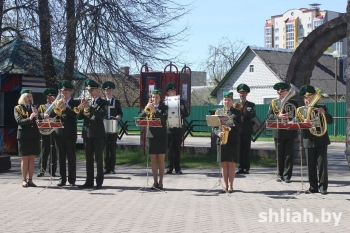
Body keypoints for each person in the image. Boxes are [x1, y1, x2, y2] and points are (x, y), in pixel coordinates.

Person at [297, 85, 333, 195]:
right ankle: (313, 186)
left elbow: (330, 121)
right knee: (310, 165)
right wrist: (303, 123)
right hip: (308, 140)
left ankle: (323, 187)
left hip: (321, 139)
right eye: (306, 97)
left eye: (310, 97)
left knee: (322, 164)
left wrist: (324, 113)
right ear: (304, 99)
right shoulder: (300, 110)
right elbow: (295, 122)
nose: (308, 99)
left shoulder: (322, 107)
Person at [77, 79, 108, 189]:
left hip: (98, 134)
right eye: (89, 89)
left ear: (97, 90)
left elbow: (101, 115)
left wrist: (90, 108)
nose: (90, 91)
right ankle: (89, 181)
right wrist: (81, 108)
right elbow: (79, 117)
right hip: (87, 133)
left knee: (99, 159)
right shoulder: (87, 101)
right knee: (88, 159)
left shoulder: (103, 102)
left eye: (92, 89)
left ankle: (99, 181)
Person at [266, 82, 298, 183]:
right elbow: (269, 116)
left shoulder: (294, 103)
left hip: (290, 131)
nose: (280, 94)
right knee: (279, 155)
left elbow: (298, 116)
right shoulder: (274, 103)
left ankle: (287, 175)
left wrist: (293, 120)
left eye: (283, 92)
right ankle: (279, 174)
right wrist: (278, 117)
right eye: (279, 92)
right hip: (278, 131)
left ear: (287, 92)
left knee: (289, 154)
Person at [213, 92, 242, 193]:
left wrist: (231, 122)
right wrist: (218, 133)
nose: (227, 102)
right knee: (224, 163)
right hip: (222, 140)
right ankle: (225, 184)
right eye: (225, 100)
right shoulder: (218, 112)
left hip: (233, 140)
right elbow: (214, 127)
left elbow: (240, 127)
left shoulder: (237, 113)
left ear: (232, 101)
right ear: (223, 101)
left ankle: (231, 185)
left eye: (229, 100)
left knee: (231, 163)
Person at [139, 89, 168, 190]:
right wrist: (145, 110)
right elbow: (139, 119)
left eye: (156, 97)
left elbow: (164, 119)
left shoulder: (164, 108)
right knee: (153, 160)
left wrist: (155, 111)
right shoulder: (148, 107)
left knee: (161, 160)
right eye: (153, 97)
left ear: (160, 98)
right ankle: (155, 182)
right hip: (151, 136)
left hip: (161, 136)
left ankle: (161, 182)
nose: (154, 99)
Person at [54, 80, 80, 186]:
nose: (64, 94)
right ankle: (62, 178)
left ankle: (72, 179)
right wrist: (55, 107)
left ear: (71, 92)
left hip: (70, 134)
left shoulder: (75, 103)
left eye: (66, 92)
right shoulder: (57, 102)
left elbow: (76, 115)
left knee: (71, 157)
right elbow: (51, 114)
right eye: (62, 92)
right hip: (59, 133)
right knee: (61, 157)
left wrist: (66, 108)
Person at [14, 89, 40, 187]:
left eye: (30, 96)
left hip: (33, 135)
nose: (30, 98)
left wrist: (38, 115)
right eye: (27, 96)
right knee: (25, 158)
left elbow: (39, 120)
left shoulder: (34, 107)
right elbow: (19, 121)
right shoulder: (18, 108)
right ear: (23, 97)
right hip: (23, 136)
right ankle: (24, 180)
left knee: (32, 158)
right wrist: (30, 118)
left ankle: (31, 179)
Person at [165, 82, 189, 174]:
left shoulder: (181, 101)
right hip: (169, 128)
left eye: (174, 90)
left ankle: (178, 168)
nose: (173, 92)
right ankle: (169, 167)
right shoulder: (165, 102)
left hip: (178, 128)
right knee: (170, 149)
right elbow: (163, 115)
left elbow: (186, 114)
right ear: (168, 92)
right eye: (171, 91)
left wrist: (183, 109)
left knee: (177, 149)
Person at [234, 84, 256, 174]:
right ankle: (240, 167)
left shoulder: (251, 104)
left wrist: (245, 112)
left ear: (246, 94)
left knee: (246, 149)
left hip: (247, 130)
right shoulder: (235, 105)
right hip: (238, 130)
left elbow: (253, 115)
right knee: (239, 149)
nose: (242, 95)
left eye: (243, 93)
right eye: (240, 93)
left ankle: (247, 167)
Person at [102, 81, 123, 174]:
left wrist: (119, 116)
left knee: (113, 147)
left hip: (113, 125)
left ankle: (112, 167)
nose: (108, 91)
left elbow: (120, 113)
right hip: (104, 125)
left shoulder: (116, 101)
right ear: (104, 91)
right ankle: (106, 167)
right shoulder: (102, 102)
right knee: (106, 148)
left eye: (110, 90)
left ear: (112, 91)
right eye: (107, 90)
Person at [37, 88, 58, 177]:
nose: (50, 98)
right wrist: (43, 115)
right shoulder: (42, 107)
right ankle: (41, 170)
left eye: (52, 97)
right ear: (46, 98)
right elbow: (38, 115)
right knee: (44, 151)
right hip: (45, 131)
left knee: (54, 152)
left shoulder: (57, 106)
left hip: (55, 131)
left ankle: (52, 171)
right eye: (49, 97)